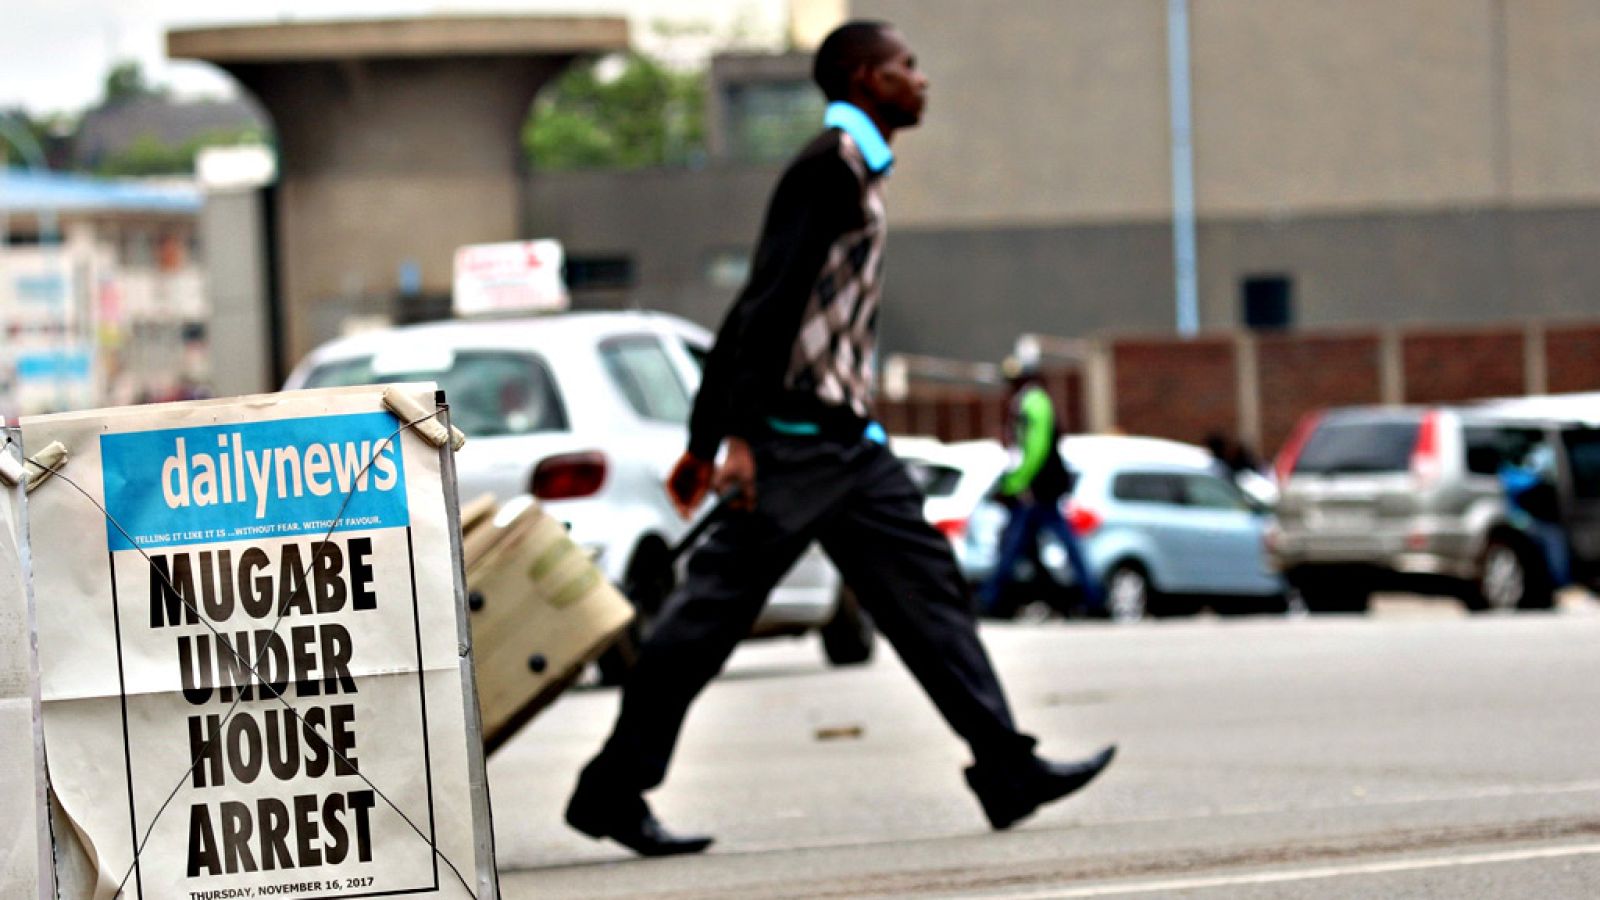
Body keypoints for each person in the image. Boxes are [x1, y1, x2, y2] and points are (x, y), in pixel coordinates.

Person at [563, 20, 1115, 858]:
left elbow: (765, 306)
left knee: (928, 591)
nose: (920, 81)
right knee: (705, 620)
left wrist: (710, 437)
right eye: (905, 67)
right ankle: (611, 789)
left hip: (849, 449)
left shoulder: (860, 170)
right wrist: (727, 441)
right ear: (864, 79)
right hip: (792, 444)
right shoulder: (827, 170)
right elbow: (764, 306)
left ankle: (1005, 765)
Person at [980, 358, 1103, 617]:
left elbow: (1035, 450)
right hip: (1038, 490)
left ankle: (991, 599)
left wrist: (1017, 482)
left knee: (1016, 547)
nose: (1010, 387)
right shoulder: (1030, 401)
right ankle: (1079, 598)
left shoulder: (1033, 402)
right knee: (1023, 548)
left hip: (1038, 492)